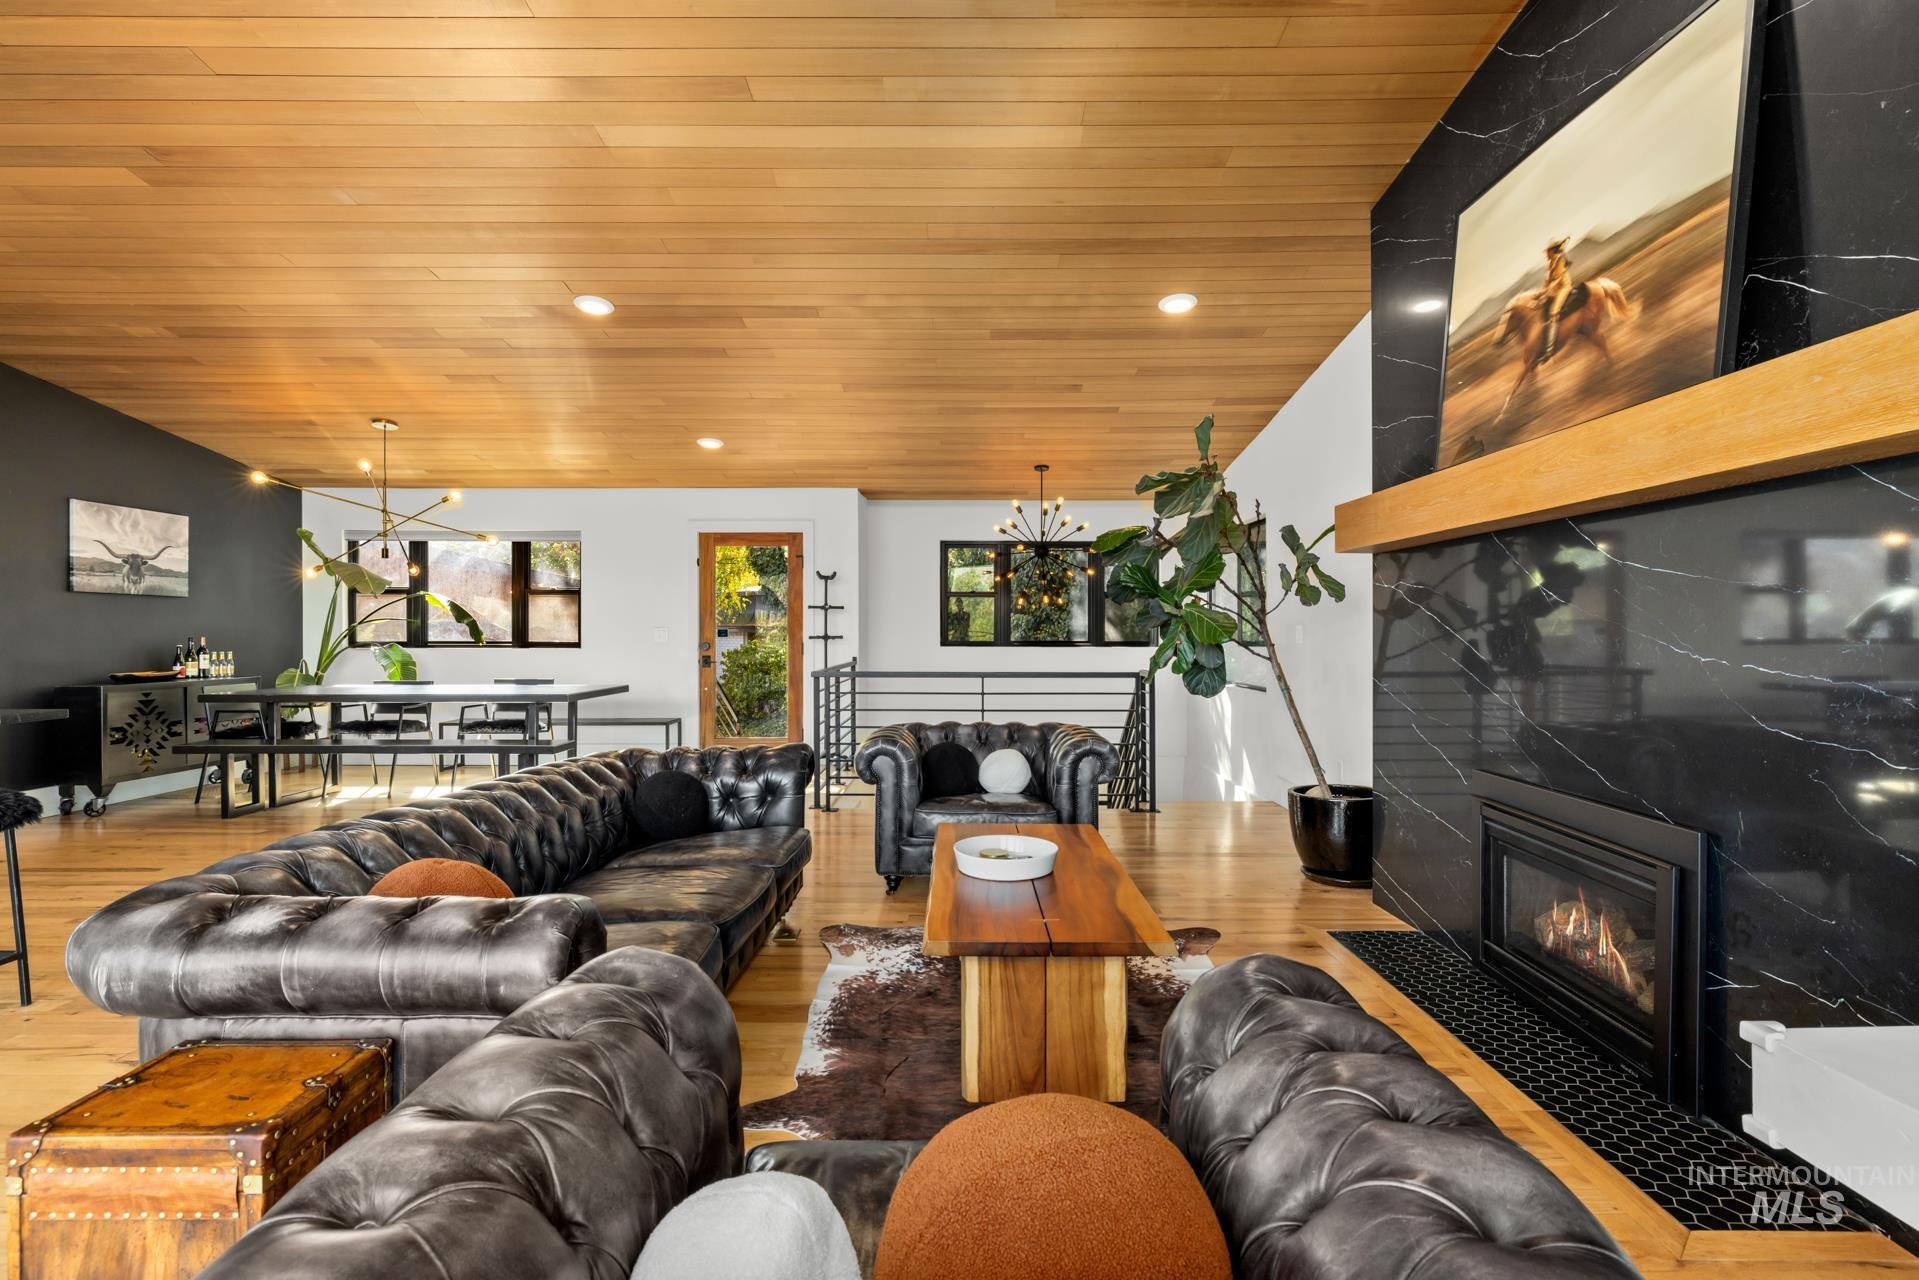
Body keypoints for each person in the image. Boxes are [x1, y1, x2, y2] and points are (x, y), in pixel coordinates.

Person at [1536, 236, 1574, 362]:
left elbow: (1557, 278)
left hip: (1564, 287)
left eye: (1547, 251)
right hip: (1555, 289)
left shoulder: (1559, 259)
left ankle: (1549, 350)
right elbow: (1547, 282)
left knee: (1553, 312)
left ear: (1552, 251)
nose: (1546, 254)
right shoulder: (1550, 263)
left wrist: (1548, 289)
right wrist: (1541, 292)